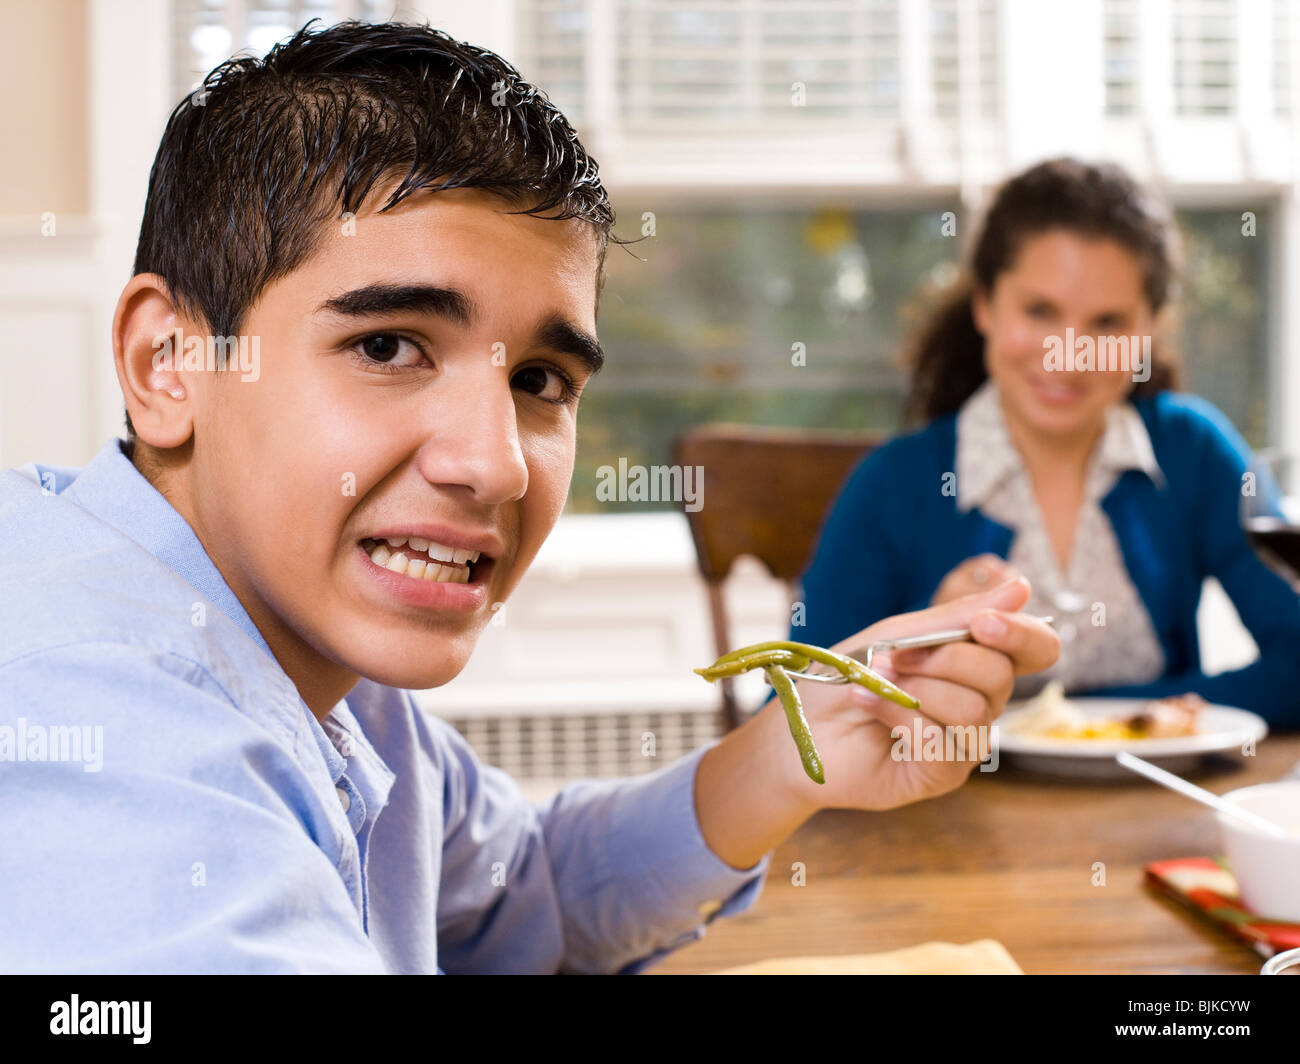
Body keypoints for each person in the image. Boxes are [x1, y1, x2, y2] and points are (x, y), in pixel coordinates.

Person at [0, 21, 1059, 974]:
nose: (497, 464)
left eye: (539, 381)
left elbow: (529, 898)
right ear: (169, 362)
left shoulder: (314, 654)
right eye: (388, 344)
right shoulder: (94, 720)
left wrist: (795, 742)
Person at [797, 158, 1300, 726]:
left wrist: (1116, 723)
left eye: (1107, 322)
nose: (1070, 353)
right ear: (985, 305)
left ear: (1150, 330)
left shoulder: (1194, 451)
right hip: (944, 814)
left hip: (1160, 810)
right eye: (1040, 311)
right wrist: (916, 647)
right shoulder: (891, 484)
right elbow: (797, 711)